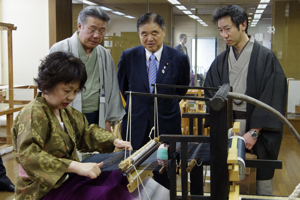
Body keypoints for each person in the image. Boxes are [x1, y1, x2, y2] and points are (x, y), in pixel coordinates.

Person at [11, 52, 132, 200]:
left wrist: (113, 141)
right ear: (47, 85)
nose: (72, 97)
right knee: (103, 194)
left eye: (76, 91)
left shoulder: (67, 112)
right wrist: (74, 166)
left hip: (66, 178)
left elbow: (86, 133)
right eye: (67, 91)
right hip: (40, 189)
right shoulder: (33, 113)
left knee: (117, 178)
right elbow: (29, 156)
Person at [204, 5, 287, 195]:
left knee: (259, 184)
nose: (224, 35)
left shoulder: (266, 57)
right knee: (227, 183)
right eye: (220, 30)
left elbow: (273, 95)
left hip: (257, 132)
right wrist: (222, 130)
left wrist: (254, 132)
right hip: (227, 131)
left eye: (228, 29)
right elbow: (210, 94)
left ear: (243, 25)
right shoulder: (220, 61)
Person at [118, 12, 190, 150]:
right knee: (134, 168)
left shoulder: (179, 59)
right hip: (136, 125)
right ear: (139, 34)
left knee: (165, 168)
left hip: (167, 124)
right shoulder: (128, 57)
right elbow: (124, 87)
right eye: (144, 34)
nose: (149, 38)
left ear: (164, 32)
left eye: (154, 33)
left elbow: (181, 90)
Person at [49, 6, 125, 132]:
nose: (96, 36)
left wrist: (107, 121)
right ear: (80, 26)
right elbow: (47, 85)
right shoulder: (60, 49)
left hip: (97, 115)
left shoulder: (104, 54)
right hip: (64, 114)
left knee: (97, 150)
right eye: (92, 30)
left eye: (101, 31)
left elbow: (112, 88)